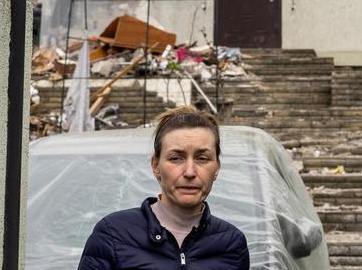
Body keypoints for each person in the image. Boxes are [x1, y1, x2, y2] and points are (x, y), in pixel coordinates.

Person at [78, 106, 250, 269]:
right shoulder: (113, 234)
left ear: (217, 167)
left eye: (202, 158)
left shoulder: (232, 244)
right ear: (155, 165)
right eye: (176, 158)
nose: (189, 172)